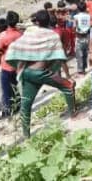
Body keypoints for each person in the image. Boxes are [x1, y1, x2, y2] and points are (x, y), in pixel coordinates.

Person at [5, 10, 76, 138]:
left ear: (36, 22)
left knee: (26, 104)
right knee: (68, 86)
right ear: (48, 21)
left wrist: (19, 65)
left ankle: (26, 135)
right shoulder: (52, 35)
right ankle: (73, 115)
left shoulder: (28, 34)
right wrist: (57, 70)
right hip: (41, 72)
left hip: (27, 72)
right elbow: (59, 56)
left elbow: (14, 48)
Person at [0, 11, 23, 118]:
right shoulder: (20, 34)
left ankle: (7, 112)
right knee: (15, 87)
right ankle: (18, 106)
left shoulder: (4, 37)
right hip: (17, 66)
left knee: (6, 91)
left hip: (6, 67)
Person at [74, 3, 92, 76]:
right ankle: (84, 68)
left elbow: (74, 26)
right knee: (85, 53)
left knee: (79, 54)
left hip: (79, 37)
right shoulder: (88, 16)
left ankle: (80, 71)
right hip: (87, 36)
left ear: (78, 9)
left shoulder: (76, 16)